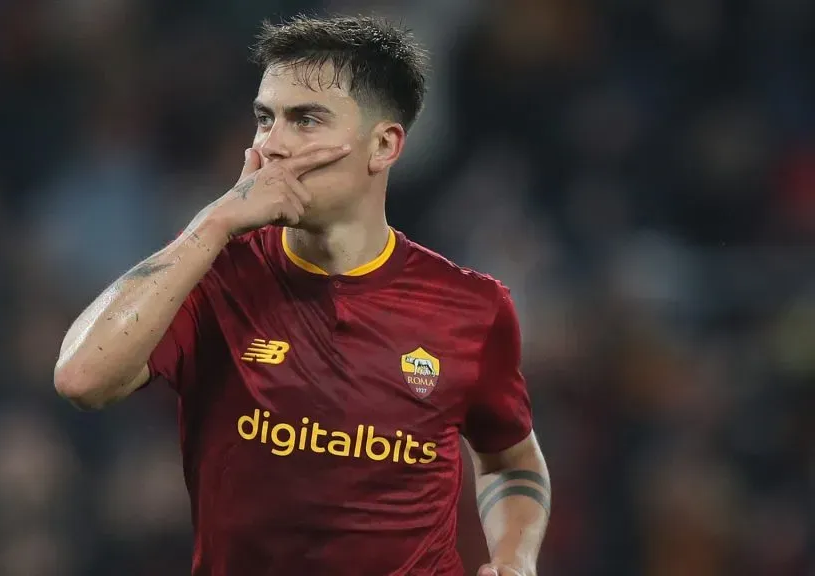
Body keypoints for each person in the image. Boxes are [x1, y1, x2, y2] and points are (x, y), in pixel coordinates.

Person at [55, 14, 551, 576]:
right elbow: (82, 379)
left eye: (306, 120)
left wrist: (514, 560)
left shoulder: (471, 309)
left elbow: (509, 461)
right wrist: (213, 224)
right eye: (265, 120)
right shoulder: (213, 274)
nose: (274, 144)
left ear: (384, 145)